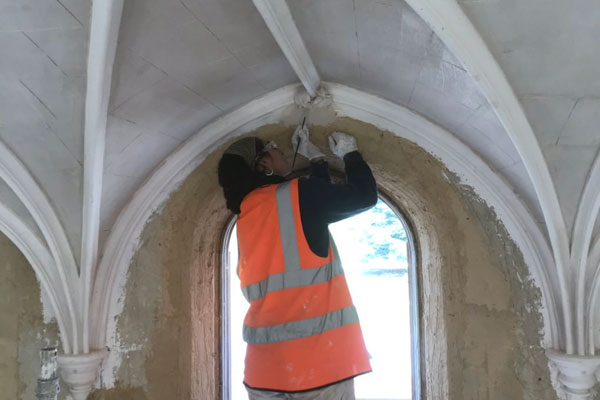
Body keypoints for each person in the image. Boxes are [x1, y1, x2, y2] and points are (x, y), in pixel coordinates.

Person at [218, 126, 378, 399]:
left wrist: (317, 162)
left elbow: (309, 211)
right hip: (319, 367)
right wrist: (350, 154)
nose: (280, 148)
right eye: (271, 147)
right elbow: (363, 196)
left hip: (263, 371)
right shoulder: (295, 195)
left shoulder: (246, 212)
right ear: (263, 164)